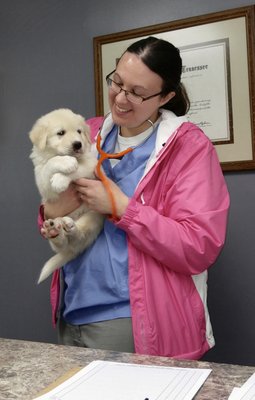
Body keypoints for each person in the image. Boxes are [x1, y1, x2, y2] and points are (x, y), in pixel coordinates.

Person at [39, 36, 230, 360]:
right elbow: (54, 202)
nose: (121, 98)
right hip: (72, 311)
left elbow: (198, 245)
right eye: (117, 82)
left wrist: (122, 207)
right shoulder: (88, 132)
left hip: (131, 321)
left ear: (166, 96)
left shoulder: (190, 148)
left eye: (137, 93)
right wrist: (51, 214)